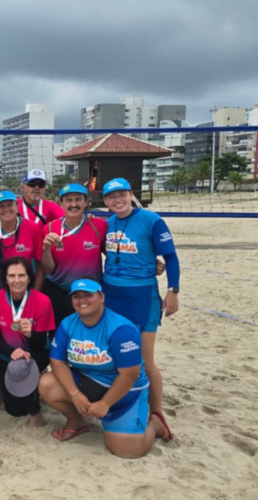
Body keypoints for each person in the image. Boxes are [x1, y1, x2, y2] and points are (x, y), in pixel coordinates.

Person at [39, 279, 172, 457]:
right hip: (89, 382)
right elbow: (57, 361)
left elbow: (129, 375)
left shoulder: (121, 329)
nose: (82, 300)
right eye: (76, 296)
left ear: (101, 297)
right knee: (47, 384)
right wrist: (75, 394)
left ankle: (155, 424)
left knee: (128, 451)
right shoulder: (68, 324)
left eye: (88, 295)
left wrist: (104, 404)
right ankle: (77, 421)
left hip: (126, 392)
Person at [101, 178, 180, 434]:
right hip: (111, 294)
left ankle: (157, 413)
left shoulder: (151, 220)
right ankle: (125, 401)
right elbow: (112, 252)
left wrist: (173, 290)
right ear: (105, 201)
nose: (118, 200)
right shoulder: (108, 223)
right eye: (112, 197)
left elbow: (170, 256)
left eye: (122, 195)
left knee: (145, 359)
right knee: (116, 354)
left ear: (131, 194)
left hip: (143, 295)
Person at [0, 257, 55, 425]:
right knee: (15, 411)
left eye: (21, 275)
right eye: (12, 276)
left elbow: (41, 342)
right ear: (5, 279)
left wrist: (31, 334)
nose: (17, 280)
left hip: (36, 352)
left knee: (24, 366)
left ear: (30, 277)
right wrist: (11, 351)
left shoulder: (43, 301)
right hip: (8, 353)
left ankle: (36, 411)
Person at [40, 184, 107, 326]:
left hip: (89, 294)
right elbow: (49, 269)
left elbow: (115, 255)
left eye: (78, 199)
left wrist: (150, 263)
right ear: (61, 204)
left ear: (86, 202)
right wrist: (45, 249)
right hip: (60, 293)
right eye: (69, 200)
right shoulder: (50, 228)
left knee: (88, 338)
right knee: (59, 337)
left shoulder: (99, 226)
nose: (74, 204)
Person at [0, 170, 64, 241]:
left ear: (44, 189)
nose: (36, 187)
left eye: (41, 184)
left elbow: (71, 222)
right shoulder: (11, 206)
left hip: (38, 252)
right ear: (23, 187)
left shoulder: (51, 206)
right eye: (32, 183)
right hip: (16, 250)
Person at [0, 190, 44, 291]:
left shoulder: (32, 229)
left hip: (20, 284)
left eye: (10, 205)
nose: (6, 209)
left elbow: (40, 265)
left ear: (17, 207)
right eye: (1, 206)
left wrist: (36, 292)